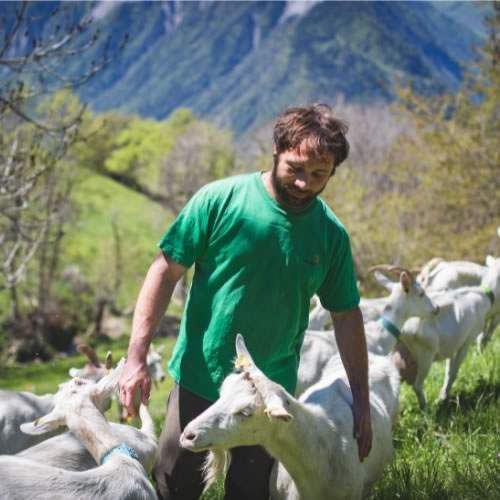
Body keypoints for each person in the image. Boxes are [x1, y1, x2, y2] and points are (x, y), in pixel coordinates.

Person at [119, 103, 372, 500]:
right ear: (276, 149)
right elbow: (163, 271)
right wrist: (136, 358)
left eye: (319, 174)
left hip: (268, 399)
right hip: (201, 378)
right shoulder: (219, 200)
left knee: (251, 494)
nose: (305, 183)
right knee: (173, 487)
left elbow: (345, 314)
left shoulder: (330, 235)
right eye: (295, 168)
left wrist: (361, 400)